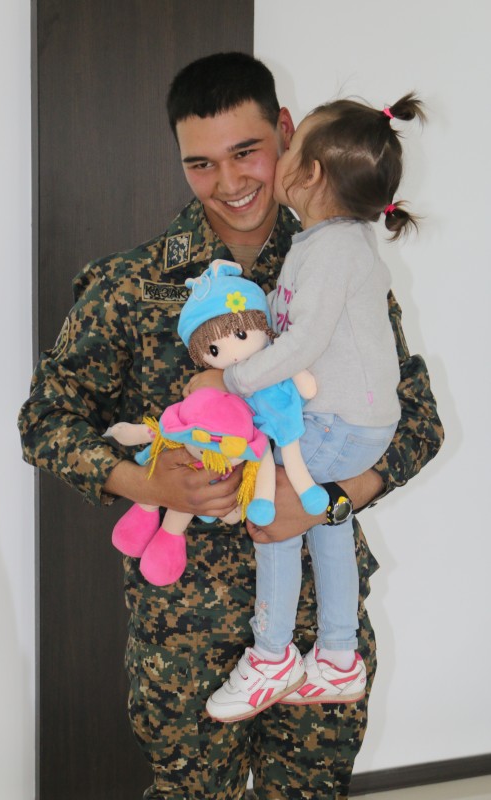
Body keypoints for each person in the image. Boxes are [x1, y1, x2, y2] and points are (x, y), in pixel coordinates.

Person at [18, 52, 444, 800]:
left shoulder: (338, 266)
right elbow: (44, 419)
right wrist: (144, 481)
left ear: (286, 133)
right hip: (185, 633)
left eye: (247, 151)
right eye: (201, 164)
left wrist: (327, 501)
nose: (229, 181)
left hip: (319, 634)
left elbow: (415, 422)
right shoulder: (131, 284)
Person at [184, 95, 425, 722]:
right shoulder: (325, 243)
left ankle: (272, 656)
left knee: (274, 516)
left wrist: (230, 381)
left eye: (289, 149)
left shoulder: (333, 249)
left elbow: (302, 341)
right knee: (326, 524)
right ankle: (339, 659)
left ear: (311, 173)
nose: (281, 157)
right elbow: (286, 316)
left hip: (338, 424)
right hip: (349, 422)